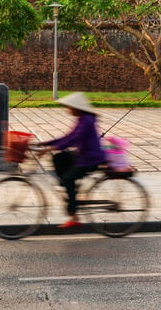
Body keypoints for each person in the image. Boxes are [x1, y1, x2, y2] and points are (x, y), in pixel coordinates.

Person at [37, 92, 107, 228]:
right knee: (59, 158)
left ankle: (74, 215)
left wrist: (50, 148)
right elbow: (68, 137)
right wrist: (47, 143)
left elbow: (75, 139)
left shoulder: (86, 121)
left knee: (68, 179)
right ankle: (71, 189)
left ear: (77, 108)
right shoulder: (82, 119)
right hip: (83, 155)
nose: (68, 110)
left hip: (90, 159)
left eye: (70, 107)